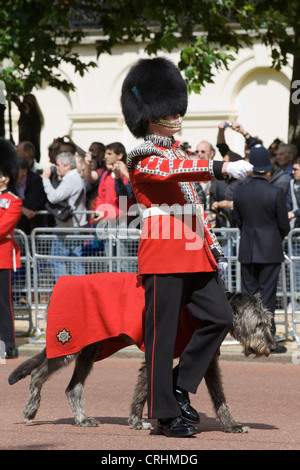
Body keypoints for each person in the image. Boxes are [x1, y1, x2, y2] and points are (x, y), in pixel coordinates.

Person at [121, 57, 253, 437]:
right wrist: (218, 168)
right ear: (150, 115)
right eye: (168, 109)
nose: (176, 114)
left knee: (220, 319)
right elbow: (172, 173)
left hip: (197, 255)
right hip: (163, 255)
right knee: (161, 339)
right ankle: (164, 413)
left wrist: (213, 251)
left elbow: (192, 202)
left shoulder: (177, 152)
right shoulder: (142, 155)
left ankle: (178, 385)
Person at [233, 144, 290, 352]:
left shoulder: (239, 192)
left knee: (249, 298)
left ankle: (249, 342)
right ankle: (268, 340)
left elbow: (238, 221)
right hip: (270, 249)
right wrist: (275, 238)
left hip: (247, 249)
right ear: (268, 169)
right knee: (267, 295)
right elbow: (283, 224)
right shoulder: (276, 191)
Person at [42, 152, 87, 281]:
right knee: (75, 260)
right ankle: (78, 294)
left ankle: (65, 292)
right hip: (73, 227)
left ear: (67, 166)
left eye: (58, 165)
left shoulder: (72, 179)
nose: (56, 168)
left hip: (68, 228)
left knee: (57, 261)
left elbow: (53, 197)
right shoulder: (74, 177)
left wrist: (45, 179)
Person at [93, 142, 135, 271]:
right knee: (110, 259)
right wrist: (99, 211)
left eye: (110, 154)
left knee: (124, 260)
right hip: (108, 221)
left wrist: (120, 175)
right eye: (106, 153)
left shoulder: (125, 174)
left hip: (123, 220)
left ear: (120, 155)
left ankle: (128, 288)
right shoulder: (105, 174)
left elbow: (126, 196)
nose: (106, 156)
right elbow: (101, 196)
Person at [0, 139, 22, 358]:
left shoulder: (13, 201)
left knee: (3, 304)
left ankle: (8, 344)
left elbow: (3, 227)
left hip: (2, 258)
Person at [15, 157, 47, 234]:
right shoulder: (10, 182)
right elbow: (6, 200)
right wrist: (22, 209)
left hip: (36, 224)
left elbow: (33, 202)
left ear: (24, 171)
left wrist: (16, 206)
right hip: (19, 226)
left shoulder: (35, 180)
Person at [13, 94, 44, 162]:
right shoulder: (24, 114)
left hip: (31, 147)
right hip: (24, 143)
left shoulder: (34, 116)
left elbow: (33, 135)